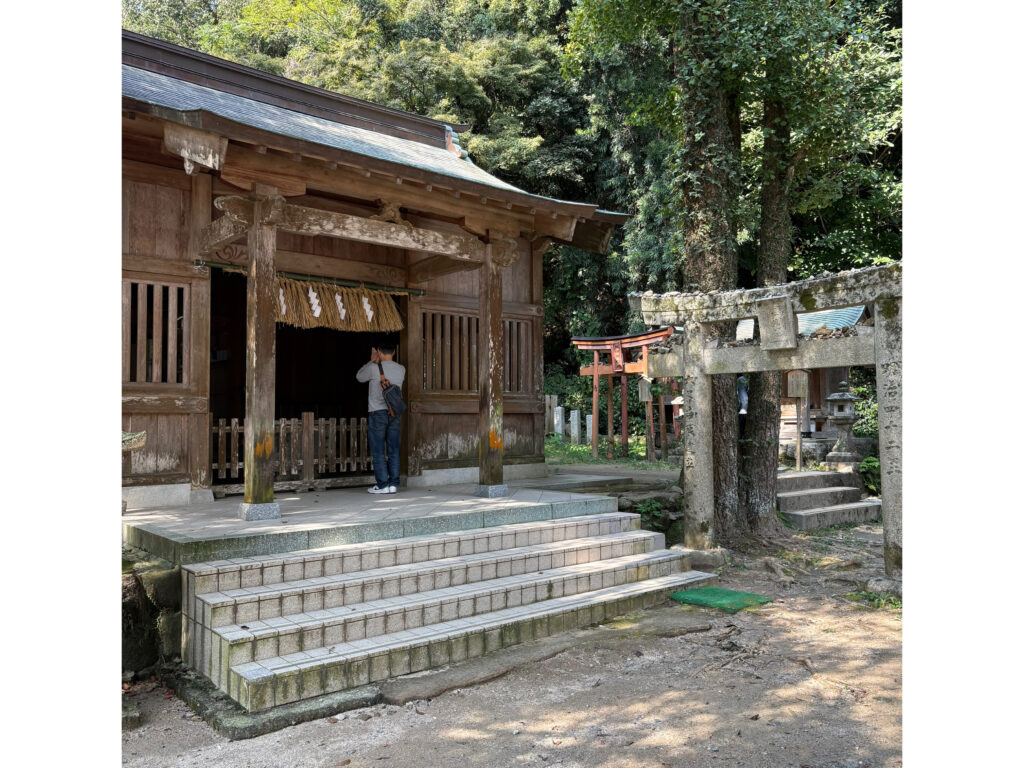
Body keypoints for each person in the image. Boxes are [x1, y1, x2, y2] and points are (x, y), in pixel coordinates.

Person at [356, 342, 406, 494]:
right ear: (394, 351)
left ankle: (383, 485)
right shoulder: (401, 369)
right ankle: (393, 484)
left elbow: (359, 377)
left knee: (378, 449)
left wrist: (371, 360)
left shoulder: (373, 368)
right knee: (393, 449)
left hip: (377, 412)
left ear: (378, 351)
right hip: (394, 413)